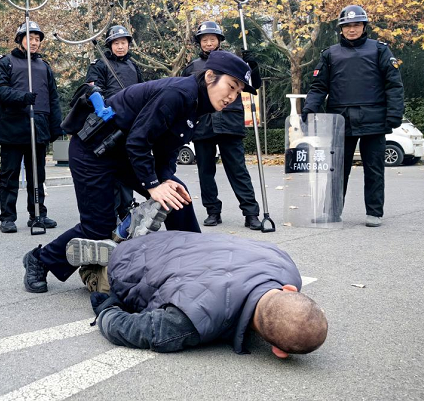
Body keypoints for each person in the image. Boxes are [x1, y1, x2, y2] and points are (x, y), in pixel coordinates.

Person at [23, 51, 257, 294]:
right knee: (97, 227)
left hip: (123, 152)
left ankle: (194, 262)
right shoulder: (178, 94)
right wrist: (153, 185)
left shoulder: (196, 104)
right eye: (231, 86)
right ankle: (39, 260)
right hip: (92, 150)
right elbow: (139, 141)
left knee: (177, 197)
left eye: (238, 92)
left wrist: (165, 180)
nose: (233, 96)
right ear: (210, 76)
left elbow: (167, 149)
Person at [77, 231, 328, 357]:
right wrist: (107, 309)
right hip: (126, 266)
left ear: (290, 289)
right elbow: (127, 329)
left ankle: (125, 236)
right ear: (279, 351)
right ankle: (93, 269)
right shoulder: (193, 321)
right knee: (104, 281)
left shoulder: (286, 267)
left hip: (171, 239)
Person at [302, 5, 404, 227]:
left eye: (356, 25)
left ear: (364, 26)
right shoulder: (330, 54)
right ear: (341, 29)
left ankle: (374, 213)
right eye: (347, 25)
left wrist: (395, 113)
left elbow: (393, 85)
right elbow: (319, 86)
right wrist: (309, 109)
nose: (351, 29)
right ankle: (332, 212)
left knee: (374, 169)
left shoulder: (380, 50)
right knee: (337, 170)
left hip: (374, 118)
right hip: (341, 120)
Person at [181, 21, 263, 230]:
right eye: (204, 40)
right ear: (199, 43)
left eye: (212, 39)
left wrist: (252, 66)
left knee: (238, 170)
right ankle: (212, 211)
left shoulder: (234, 63)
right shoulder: (192, 67)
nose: (209, 43)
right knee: (205, 171)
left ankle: (251, 213)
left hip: (229, 122)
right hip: (203, 124)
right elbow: (185, 96)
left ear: (219, 40)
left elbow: (254, 84)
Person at [0, 21, 63, 234]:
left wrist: (56, 127)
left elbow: (53, 98)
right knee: (9, 176)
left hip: (38, 127)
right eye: (30, 38)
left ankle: (38, 214)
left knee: (37, 176)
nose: (34, 42)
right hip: (13, 127)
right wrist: (22, 97)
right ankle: (7, 217)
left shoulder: (44, 66)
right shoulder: (5, 62)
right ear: (20, 39)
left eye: (37, 39)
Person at [85, 25, 144, 219]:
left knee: (127, 166)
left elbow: (142, 92)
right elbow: (92, 89)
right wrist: (101, 106)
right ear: (110, 45)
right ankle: (109, 211)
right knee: (109, 168)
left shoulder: (133, 66)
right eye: (116, 43)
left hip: (130, 123)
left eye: (123, 42)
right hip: (107, 124)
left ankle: (126, 209)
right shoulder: (99, 64)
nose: (120, 46)